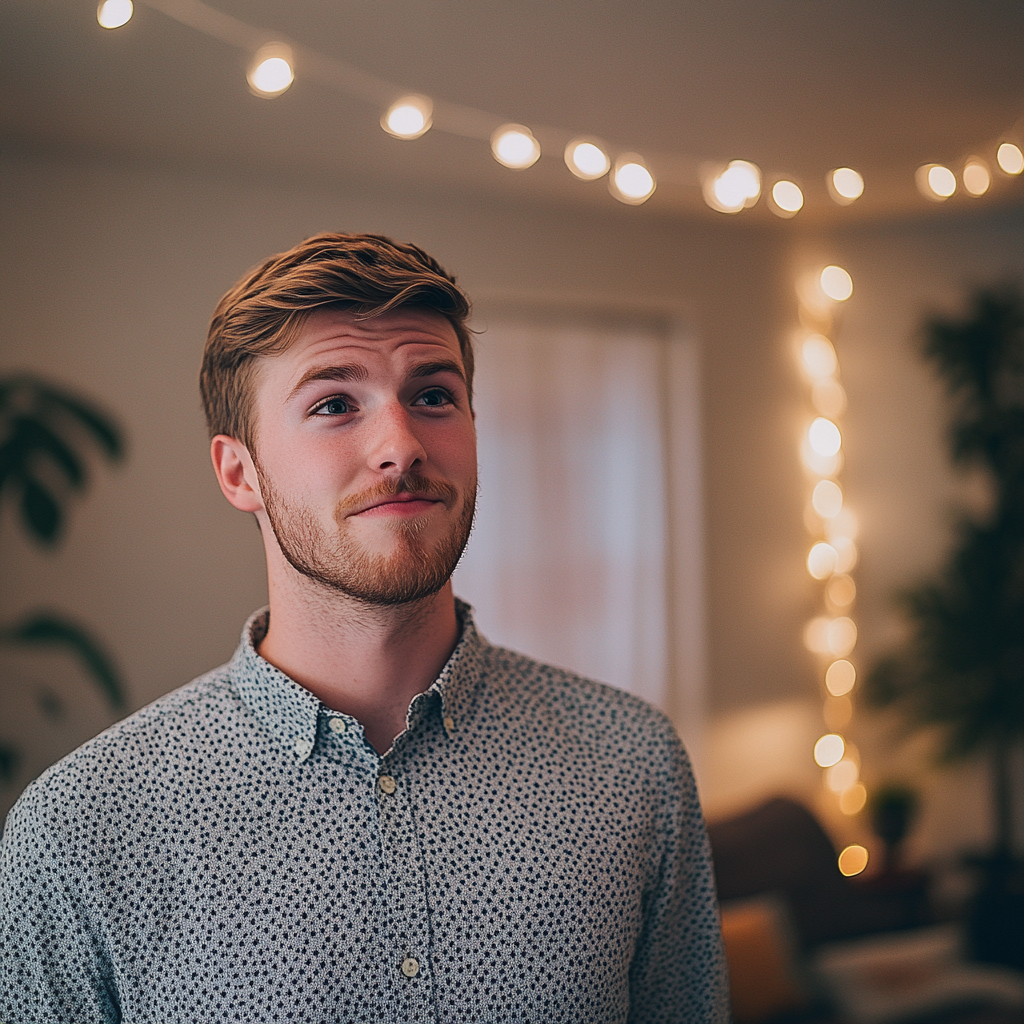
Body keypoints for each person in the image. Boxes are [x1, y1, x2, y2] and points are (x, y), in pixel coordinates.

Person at [0, 232, 728, 1022]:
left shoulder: (634, 765)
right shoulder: (76, 829)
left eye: (433, 396)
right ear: (239, 473)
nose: (402, 446)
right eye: (334, 404)